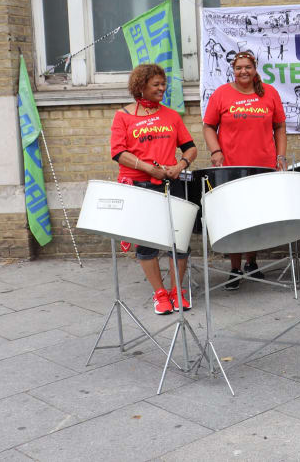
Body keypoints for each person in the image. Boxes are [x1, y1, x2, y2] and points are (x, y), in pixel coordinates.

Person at [110, 64, 198, 315]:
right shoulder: (123, 116)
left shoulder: (171, 115)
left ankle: (176, 291)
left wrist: (180, 164)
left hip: (172, 183)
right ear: (141, 87)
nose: (162, 88)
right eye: (156, 84)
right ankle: (160, 293)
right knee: (147, 244)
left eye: (163, 84)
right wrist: (149, 169)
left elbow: (190, 147)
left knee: (178, 242)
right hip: (139, 186)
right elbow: (118, 153)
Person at [203, 50, 287, 289]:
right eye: (239, 67)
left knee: (256, 218)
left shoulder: (269, 93)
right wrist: (215, 151)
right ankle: (235, 268)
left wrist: (280, 156)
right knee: (234, 219)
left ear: (255, 68)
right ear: (233, 69)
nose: (243, 71)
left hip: (262, 166)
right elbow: (208, 126)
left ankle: (252, 263)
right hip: (231, 168)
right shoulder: (222, 94)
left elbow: (280, 127)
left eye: (247, 67)